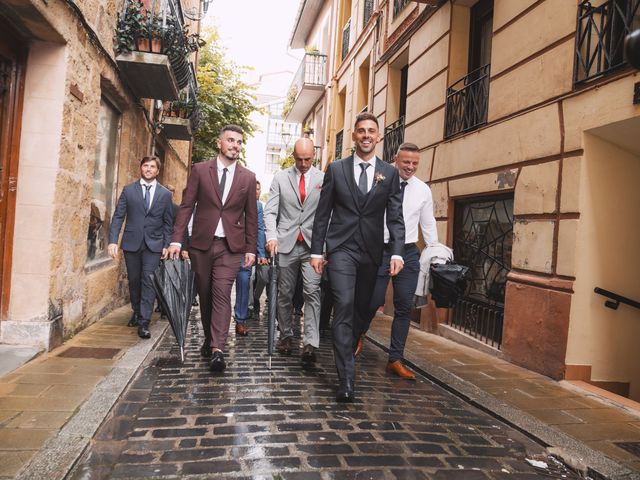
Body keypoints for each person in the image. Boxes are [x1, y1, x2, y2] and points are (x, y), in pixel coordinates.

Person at [310, 112, 405, 402]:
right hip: (341, 249)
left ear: (378, 137)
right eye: (361, 130)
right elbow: (323, 213)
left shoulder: (389, 174)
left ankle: (348, 346)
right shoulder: (336, 169)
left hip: (372, 251)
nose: (366, 135)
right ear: (353, 136)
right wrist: (317, 250)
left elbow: (396, 218)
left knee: (364, 307)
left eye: (371, 131)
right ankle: (346, 378)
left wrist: (397, 252)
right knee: (344, 304)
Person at [168, 125, 257, 373]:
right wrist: (177, 239)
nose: (235, 145)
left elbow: (251, 216)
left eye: (239, 142)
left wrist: (251, 248)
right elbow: (186, 206)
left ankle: (218, 348)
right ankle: (209, 337)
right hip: (202, 245)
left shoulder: (247, 178)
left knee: (221, 292)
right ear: (220, 143)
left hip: (231, 247)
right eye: (230, 140)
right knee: (205, 295)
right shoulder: (199, 170)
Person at [359, 142, 438, 379]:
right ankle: (359, 335)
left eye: (415, 163)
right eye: (406, 162)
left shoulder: (423, 190)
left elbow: (428, 223)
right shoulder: (380, 181)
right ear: (396, 159)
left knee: (404, 306)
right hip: (380, 249)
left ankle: (395, 358)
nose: (411, 167)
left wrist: (434, 252)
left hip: (408, 251)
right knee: (373, 300)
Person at [264, 137, 324, 363]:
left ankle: (310, 342)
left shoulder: (323, 178)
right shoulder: (280, 178)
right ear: (293, 157)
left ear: (313, 157)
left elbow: (326, 214)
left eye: (308, 159)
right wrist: (271, 236)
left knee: (311, 292)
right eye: (299, 159)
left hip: (312, 247)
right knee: (285, 293)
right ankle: (286, 335)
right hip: (286, 244)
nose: (303, 164)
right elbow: (270, 211)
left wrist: (324, 247)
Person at [107, 156, 174, 339]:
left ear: (157, 171)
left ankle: (144, 321)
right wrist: (113, 240)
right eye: (146, 166)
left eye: (153, 166)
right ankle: (136, 311)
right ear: (141, 168)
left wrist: (167, 245)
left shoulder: (165, 194)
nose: (149, 169)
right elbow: (118, 216)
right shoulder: (129, 191)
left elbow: (168, 223)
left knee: (149, 280)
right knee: (134, 280)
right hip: (132, 243)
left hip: (154, 245)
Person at [233, 180, 267, 336]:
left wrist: (260, 253)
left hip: (246, 252)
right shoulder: (232, 201)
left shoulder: (258, 206)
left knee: (244, 282)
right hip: (226, 249)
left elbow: (259, 229)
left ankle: (240, 320)